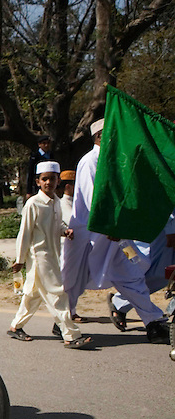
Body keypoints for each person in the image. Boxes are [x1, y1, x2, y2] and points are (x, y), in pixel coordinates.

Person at [62, 119, 169, 343]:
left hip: (115, 235)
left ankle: (154, 323)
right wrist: (110, 225)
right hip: (89, 235)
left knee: (131, 276)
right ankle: (62, 322)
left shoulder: (115, 160)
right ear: (100, 136)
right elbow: (94, 201)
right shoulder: (90, 161)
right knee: (74, 281)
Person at [6, 161, 91, 348]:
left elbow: (57, 224)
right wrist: (20, 260)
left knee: (33, 295)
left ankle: (15, 326)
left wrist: (64, 231)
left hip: (53, 254)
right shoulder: (33, 204)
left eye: (52, 179)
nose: (48, 183)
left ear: (58, 180)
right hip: (40, 257)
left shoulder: (56, 202)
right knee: (57, 294)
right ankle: (71, 335)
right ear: (38, 182)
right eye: (44, 179)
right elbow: (25, 233)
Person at [107, 206, 175, 331]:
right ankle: (123, 302)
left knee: (164, 275)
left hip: (163, 225)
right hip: (158, 226)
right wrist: (171, 227)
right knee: (150, 269)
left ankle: (122, 301)